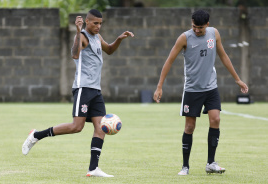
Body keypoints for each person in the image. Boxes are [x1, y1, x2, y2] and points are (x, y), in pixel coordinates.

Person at [22, 9, 134, 177]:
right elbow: (75, 54)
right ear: (87, 22)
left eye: (100, 23)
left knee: (100, 127)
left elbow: (109, 50)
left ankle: (93, 168)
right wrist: (77, 31)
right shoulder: (82, 36)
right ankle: (36, 135)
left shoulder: (97, 37)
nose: (98, 26)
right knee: (76, 127)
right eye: (95, 23)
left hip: (96, 90)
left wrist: (119, 39)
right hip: (83, 88)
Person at [153, 9, 248, 175]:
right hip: (192, 90)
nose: (197, 30)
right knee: (190, 127)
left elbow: (223, 56)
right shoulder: (184, 38)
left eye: (200, 28)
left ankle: (211, 163)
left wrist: (237, 79)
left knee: (216, 119)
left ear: (208, 25)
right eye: (194, 27)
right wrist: (159, 86)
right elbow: (169, 61)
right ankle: (185, 166)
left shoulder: (214, 34)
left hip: (211, 87)